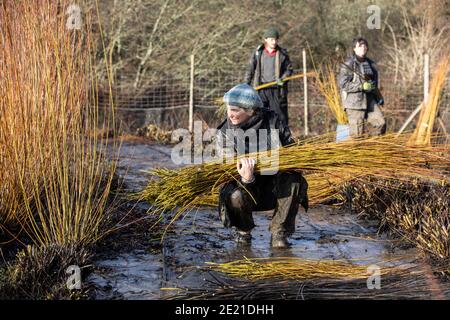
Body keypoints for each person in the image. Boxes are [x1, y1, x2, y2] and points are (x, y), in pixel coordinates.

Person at [216, 83, 308, 248]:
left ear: (251, 110)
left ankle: (279, 232)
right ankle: (243, 231)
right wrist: (246, 178)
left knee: (294, 179)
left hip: (273, 189)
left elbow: (292, 151)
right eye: (229, 109)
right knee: (235, 195)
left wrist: (286, 160)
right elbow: (225, 171)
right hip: (245, 190)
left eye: (235, 110)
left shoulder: (273, 121)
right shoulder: (224, 133)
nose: (230, 114)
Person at [244, 27, 293, 126]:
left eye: (276, 39)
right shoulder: (258, 53)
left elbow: (289, 69)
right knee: (259, 115)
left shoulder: (282, 54)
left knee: (279, 117)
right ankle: (260, 139)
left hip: (276, 90)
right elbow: (250, 70)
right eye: (271, 39)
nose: (274, 42)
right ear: (265, 40)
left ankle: (284, 140)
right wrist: (245, 85)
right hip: (261, 89)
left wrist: (283, 78)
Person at [338, 37, 386, 137]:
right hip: (355, 102)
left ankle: (373, 148)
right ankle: (358, 150)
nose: (363, 47)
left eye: (365, 45)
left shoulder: (371, 64)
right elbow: (343, 84)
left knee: (380, 123)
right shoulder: (348, 64)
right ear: (354, 48)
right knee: (357, 134)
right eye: (360, 46)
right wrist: (361, 86)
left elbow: (374, 83)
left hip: (370, 100)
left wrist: (378, 97)